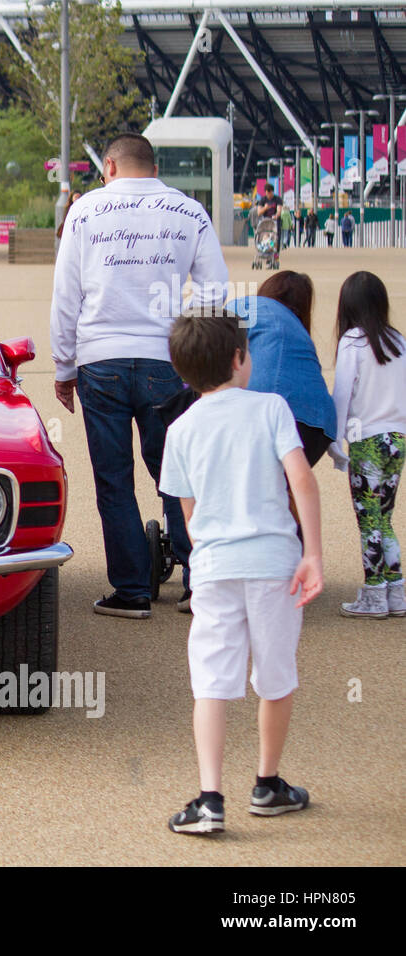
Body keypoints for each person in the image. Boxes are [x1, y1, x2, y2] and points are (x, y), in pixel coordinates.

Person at [50, 132, 229, 618]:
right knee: (177, 472)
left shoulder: (85, 212)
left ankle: (131, 591)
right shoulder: (190, 211)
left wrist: (64, 366)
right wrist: (195, 355)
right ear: (153, 168)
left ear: (109, 166)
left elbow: (66, 295)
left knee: (113, 480)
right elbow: (216, 293)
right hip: (167, 360)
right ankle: (197, 583)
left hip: (101, 359)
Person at [160, 308, 323, 835]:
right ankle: (267, 783)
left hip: (213, 567)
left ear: (183, 372)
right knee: (275, 676)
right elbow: (302, 480)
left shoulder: (180, 429)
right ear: (238, 358)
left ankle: (209, 797)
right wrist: (313, 552)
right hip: (274, 561)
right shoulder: (271, 408)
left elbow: (187, 515)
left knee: (211, 679)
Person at [329, 271, 406, 619]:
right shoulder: (398, 341)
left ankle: (374, 595)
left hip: (367, 441)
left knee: (368, 519)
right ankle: (396, 592)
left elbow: (343, 395)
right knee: (384, 517)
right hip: (398, 439)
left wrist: (334, 441)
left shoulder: (352, 342)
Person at [225, 271, 336, 467]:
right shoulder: (300, 333)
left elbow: (210, 339)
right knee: (279, 492)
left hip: (264, 412)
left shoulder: (250, 305)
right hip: (317, 424)